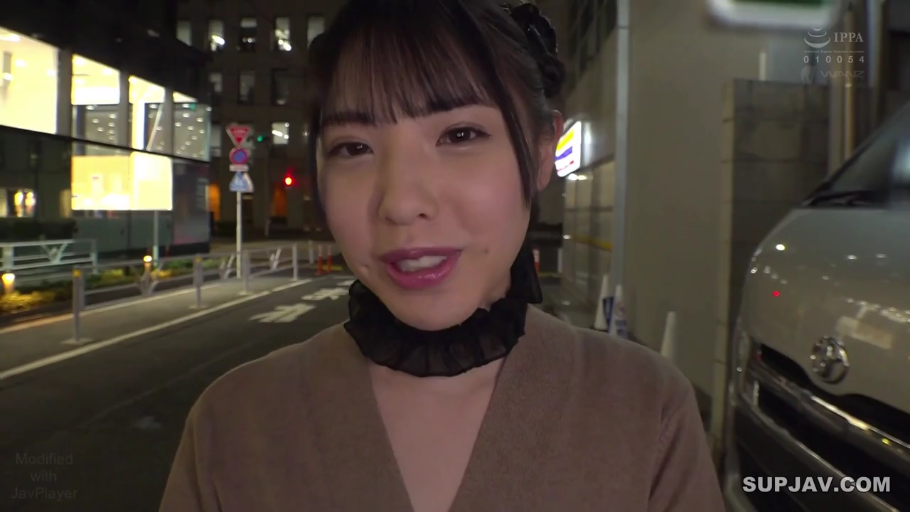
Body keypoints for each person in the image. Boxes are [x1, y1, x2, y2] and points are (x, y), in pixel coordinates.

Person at [159, 1, 725, 511]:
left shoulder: (645, 409)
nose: (401, 203)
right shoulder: (233, 423)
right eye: (353, 147)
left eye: (459, 135)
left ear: (540, 151)